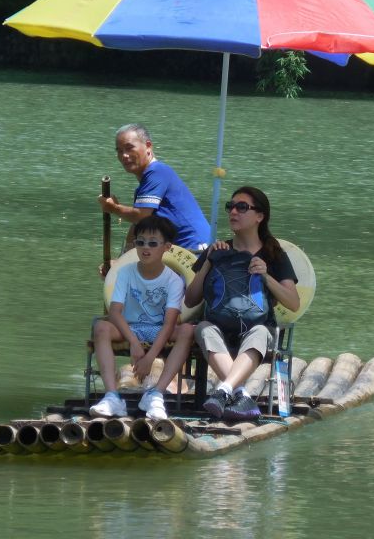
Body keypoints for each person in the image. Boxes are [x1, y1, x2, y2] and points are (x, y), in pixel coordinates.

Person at [184, 186, 300, 421]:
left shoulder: (274, 253)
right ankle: (240, 395)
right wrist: (208, 261)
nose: (233, 212)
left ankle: (224, 391)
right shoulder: (217, 250)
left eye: (242, 207)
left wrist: (266, 276)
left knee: (259, 332)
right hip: (218, 328)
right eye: (231, 206)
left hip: (255, 330)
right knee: (203, 328)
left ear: (260, 216)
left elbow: (293, 302)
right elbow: (191, 299)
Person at [89, 215, 196, 420]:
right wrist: (135, 343)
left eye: (153, 243)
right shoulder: (126, 272)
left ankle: (156, 394)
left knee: (188, 330)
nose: (145, 248)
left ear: (166, 247)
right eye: (140, 242)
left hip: (158, 328)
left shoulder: (173, 280)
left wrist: (149, 357)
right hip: (129, 328)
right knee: (101, 327)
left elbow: (169, 322)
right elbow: (115, 312)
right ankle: (112, 397)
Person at [98, 123, 210, 256]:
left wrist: (113, 208)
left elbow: (141, 216)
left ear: (148, 146)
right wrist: (119, 265)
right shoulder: (146, 184)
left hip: (194, 250)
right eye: (119, 151)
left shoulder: (157, 172)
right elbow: (137, 226)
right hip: (179, 252)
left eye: (129, 148)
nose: (124, 155)